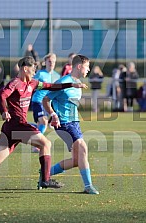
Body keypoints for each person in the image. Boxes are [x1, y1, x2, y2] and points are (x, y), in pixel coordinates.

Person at [0, 56, 87, 187]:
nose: (34, 72)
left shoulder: (32, 83)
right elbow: (2, 94)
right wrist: (3, 111)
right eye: (33, 69)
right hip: (16, 125)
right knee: (46, 143)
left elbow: (51, 86)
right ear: (25, 68)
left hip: (11, 128)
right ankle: (45, 180)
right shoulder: (15, 83)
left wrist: (71, 85)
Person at [42, 55, 99, 194]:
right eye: (87, 66)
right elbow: (45, 99)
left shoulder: (77, 83)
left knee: (76, 160)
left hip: (75, 123)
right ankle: (88, 186)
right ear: (79, 66)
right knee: (83, 148)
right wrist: (54, 115)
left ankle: (44, 174)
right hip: (63, 123)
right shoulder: (63, 82)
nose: (89, 69)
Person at [31, 53, 60, 152]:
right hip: (37, 100)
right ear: (46, 62)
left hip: (48, 103)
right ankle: (37, 145)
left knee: (42, 124)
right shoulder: (40, 74)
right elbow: (32, 85)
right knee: (44, 121)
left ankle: (27, 126)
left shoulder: (57, 76)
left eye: (53, 61)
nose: (51, 63)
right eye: (49, 61)